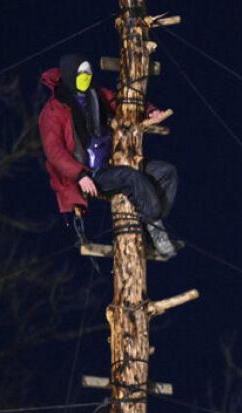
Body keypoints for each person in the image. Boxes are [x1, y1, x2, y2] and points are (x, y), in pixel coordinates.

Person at [38, 53, 179, 259]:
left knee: (167, 173)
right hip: (90, 173)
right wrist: (79, 175)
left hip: (112, 159)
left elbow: (122, 102)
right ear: (70, 75)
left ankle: (150, 226)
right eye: (80, 73)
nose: (85, 77)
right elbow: (54, 151)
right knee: (132, 178)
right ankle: (156, 231)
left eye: (88, 73)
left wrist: (150, 111)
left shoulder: (96, 94)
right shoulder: (54, 111)